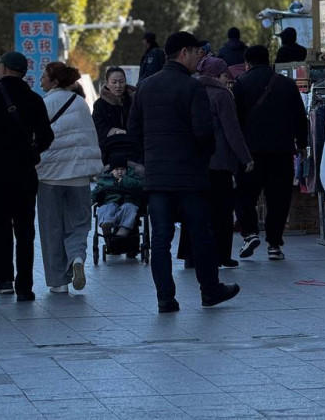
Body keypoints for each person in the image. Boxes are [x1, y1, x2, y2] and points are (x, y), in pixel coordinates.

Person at [128, 31, 241, 313]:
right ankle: (210, 290)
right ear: (183, 53)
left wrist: (150, 157)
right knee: (201, 234)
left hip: (157, 177)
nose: (198, 58)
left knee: (161, 240)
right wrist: (201, 157)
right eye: (196, 53)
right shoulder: (192, 88)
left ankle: (165, 298)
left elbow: (134, 131)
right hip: (191, 177)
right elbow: (204, 134)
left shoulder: (145, 87)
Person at [0, 52, 54, 305]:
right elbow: (46, 136)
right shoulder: (34, 99)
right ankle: (24, 287)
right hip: (24, 174)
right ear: (24, 72)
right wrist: (32, 151)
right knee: (24, 230)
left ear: (2, 68)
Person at [234, 45, 309, 261]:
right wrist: (302, 144)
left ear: (247, 63)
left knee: (245, 196)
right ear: (269, 61)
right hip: (282, 151)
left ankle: (250, 233)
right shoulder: (286, 84)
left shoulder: (241, 84)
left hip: (250, 153)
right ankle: (274, 244)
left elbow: (235, 120)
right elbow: (299, 117)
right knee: (278, 199)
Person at [36, 62, 100, 295]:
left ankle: (58, 282)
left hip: (50, 177)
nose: (40, 80)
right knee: (79, 224)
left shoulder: (44, 104)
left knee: (51, 228)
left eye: (43, 77)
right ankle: (76, 258)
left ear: (54, 82)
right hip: (80, 177)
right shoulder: (81, 104)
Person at [197, 57, 253, 267]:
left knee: (201, 211)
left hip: (197, 162)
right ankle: (222, 255)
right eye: (224, 76)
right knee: (222, 210)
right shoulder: (222, 95)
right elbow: (232, 130)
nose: (227, 80)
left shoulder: (192, 90)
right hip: (219, 161)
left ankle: (195, 256)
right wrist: (245, 157)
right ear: (216, 75)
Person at [93, 153, 144, 236]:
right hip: (110, 203)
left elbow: (139, 185)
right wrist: (91, 198)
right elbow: (96, 190)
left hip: (128, 203)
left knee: (129, 208)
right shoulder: (105, 180)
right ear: (111, 171)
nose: (120, 172)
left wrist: (125, 180)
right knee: (107, 207)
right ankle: (106, 224)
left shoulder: (132, 178)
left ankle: (124, 229)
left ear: (127, 169)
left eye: (122, 169)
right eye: (116, 169)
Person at [92, 67, 134, 148]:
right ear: (107, 84)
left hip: (133, 147)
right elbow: (98, 127)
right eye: (114, 82)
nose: (118, 86)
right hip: (109, 147)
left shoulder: (134, 100)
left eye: (121, 82)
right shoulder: (100, 104)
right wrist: (114, 132)